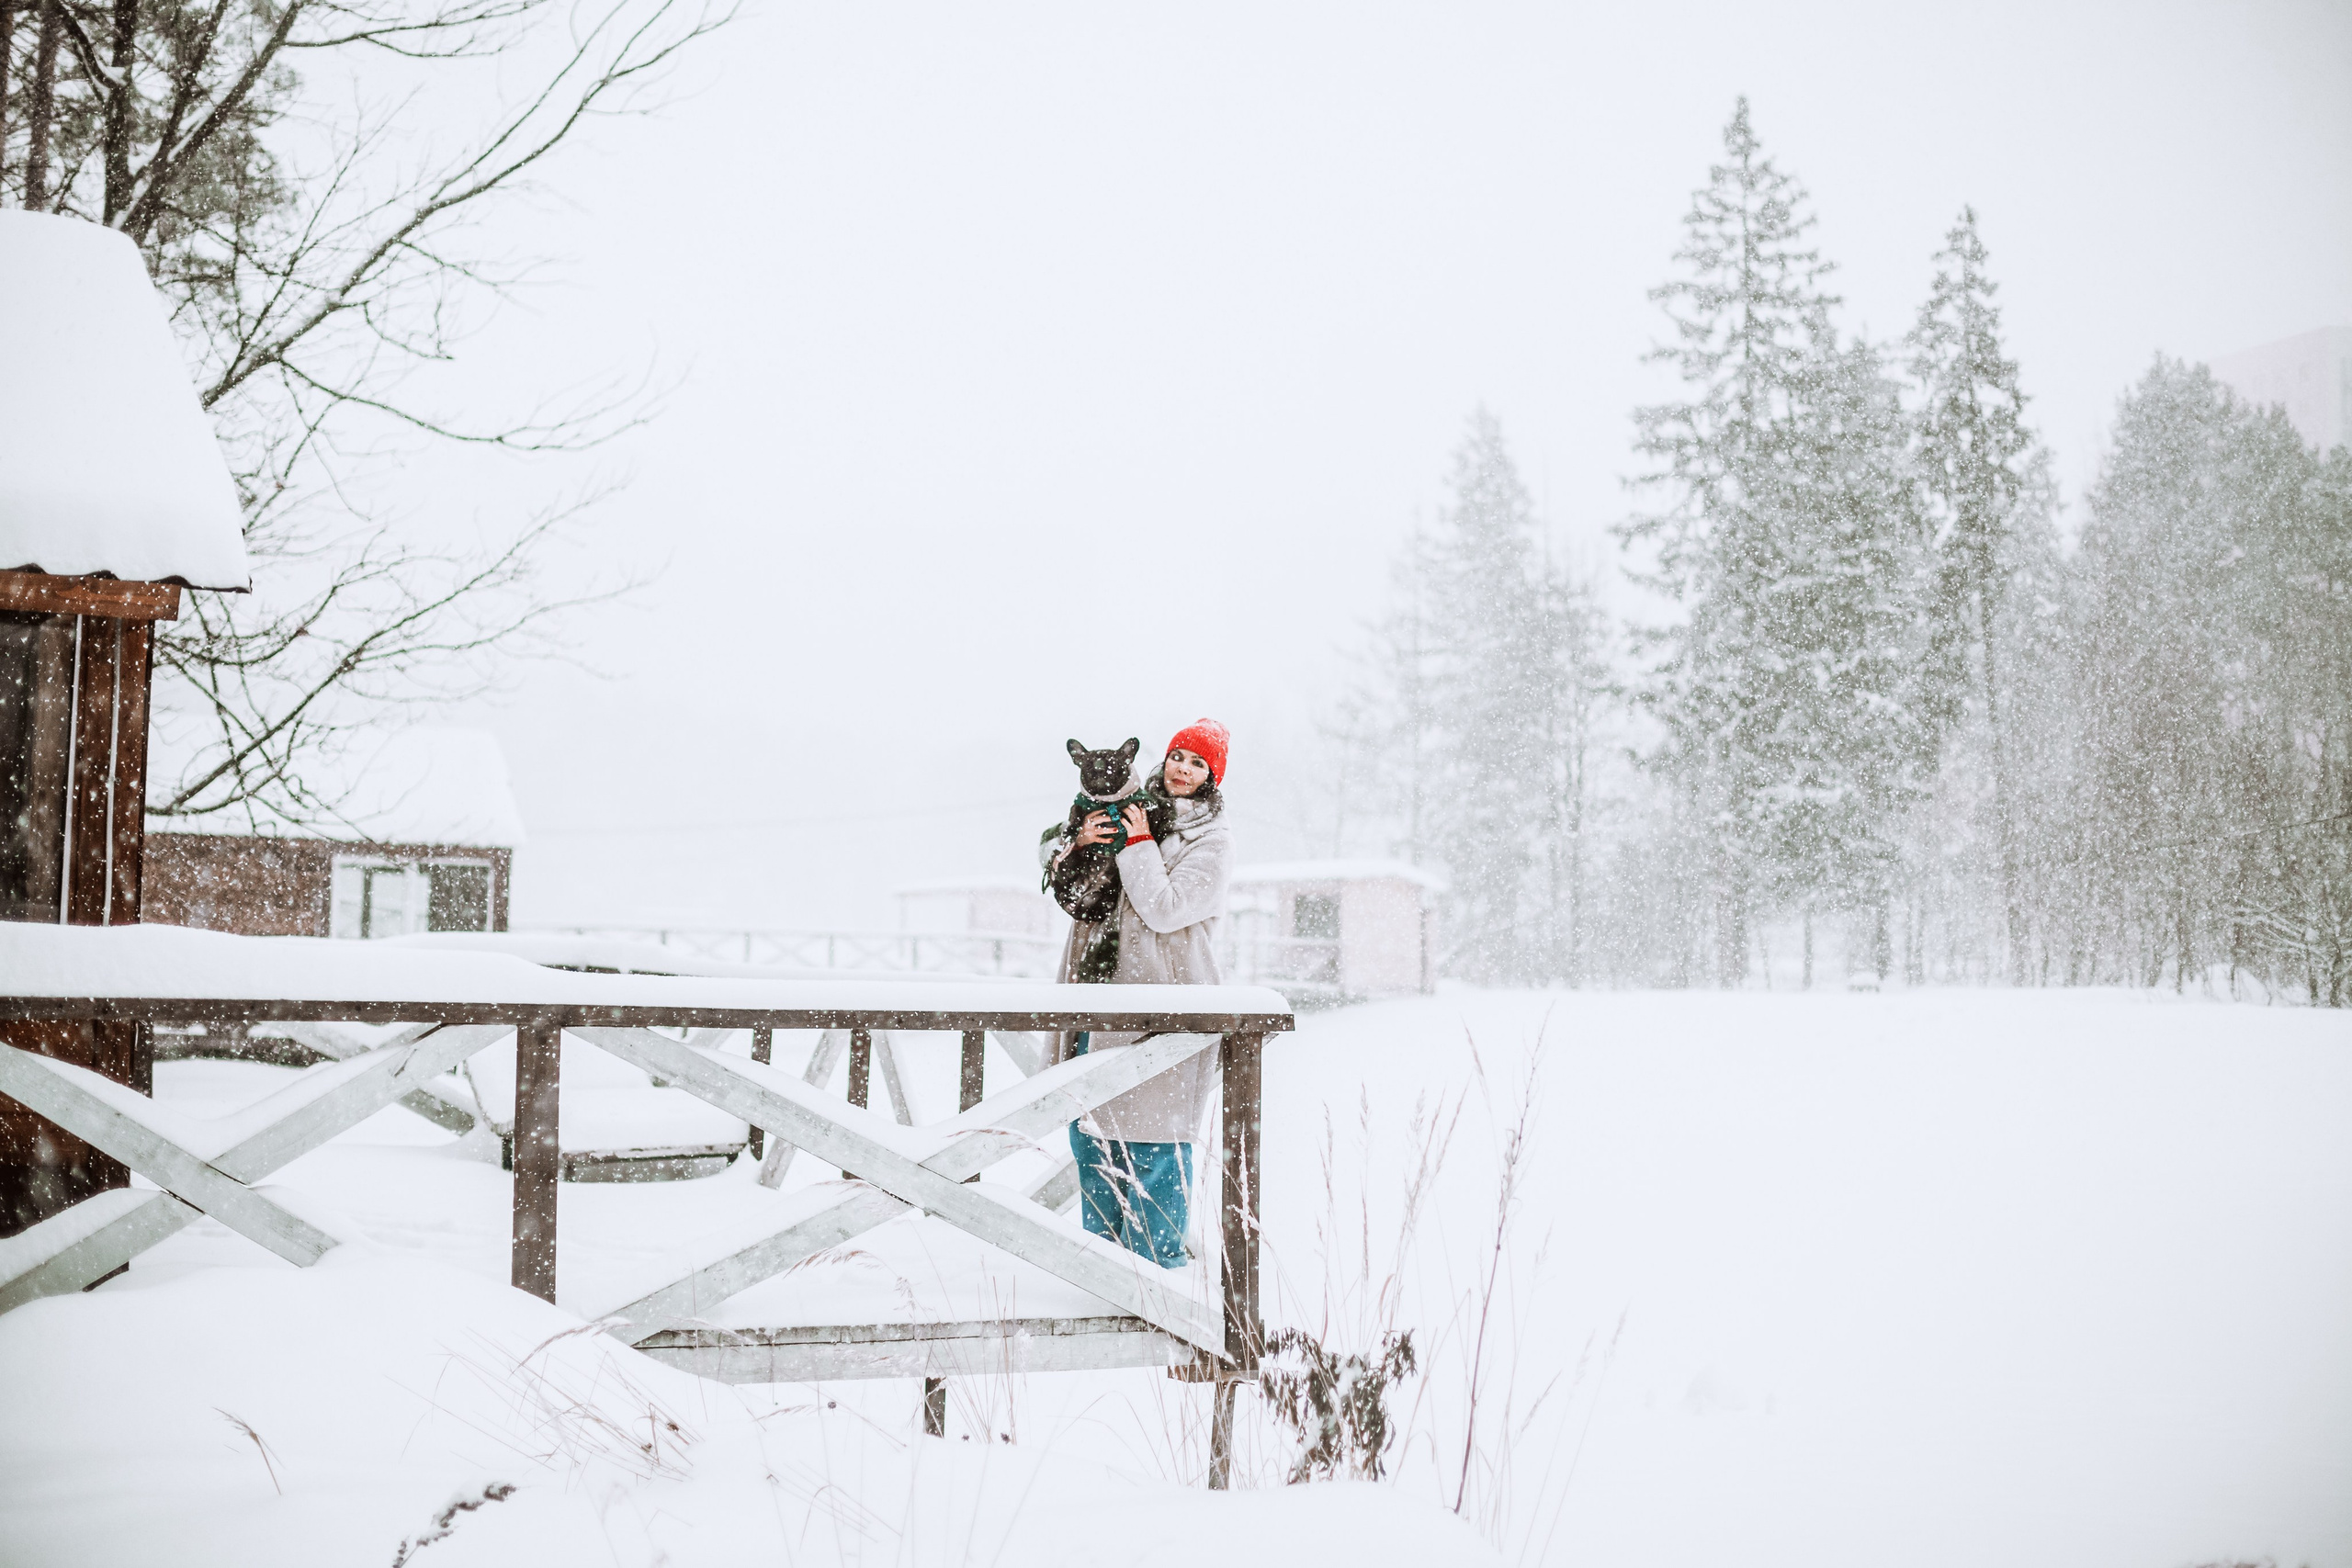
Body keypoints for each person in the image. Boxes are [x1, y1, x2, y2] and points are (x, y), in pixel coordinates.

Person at [1050, 718, 1233, 1268]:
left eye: (1198, 763)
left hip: (1164, 1004)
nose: (1184, 769)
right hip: (1098, 994)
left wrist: (1138, 842)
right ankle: (1101, 1273)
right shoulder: (1121, 804)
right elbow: (1059, 866)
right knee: (1092, 1136)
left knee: (1156, 1143)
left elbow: (1165, 909)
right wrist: (1079, 841)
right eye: (1179, 756)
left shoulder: (1212, 843)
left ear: (1212, 777)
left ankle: (1158, 1280)